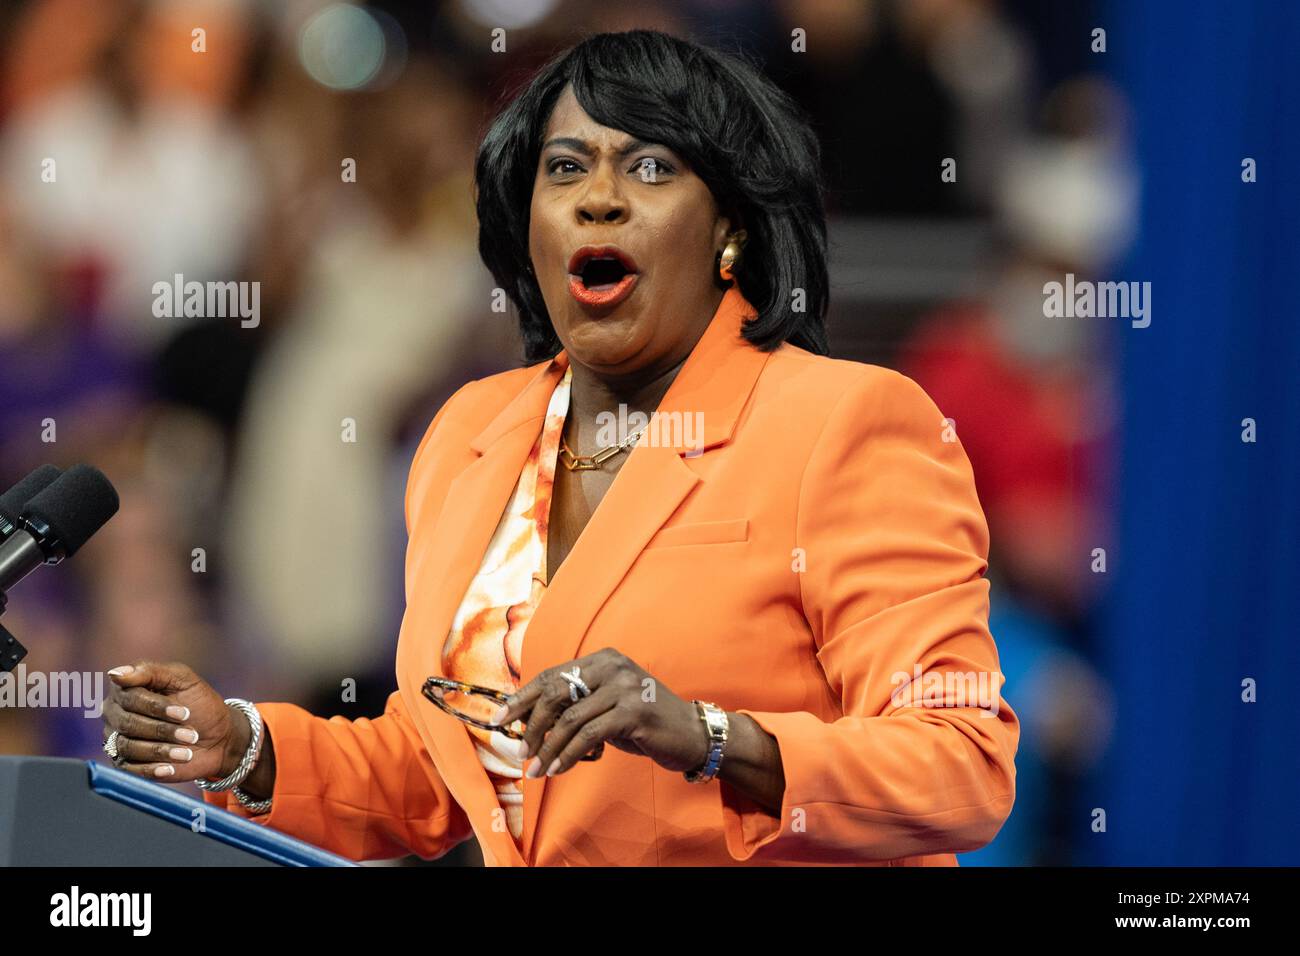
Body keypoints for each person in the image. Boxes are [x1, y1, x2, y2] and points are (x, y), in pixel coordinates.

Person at [100, 30, 1018, 866]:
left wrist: (705, 734)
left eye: (651, 168)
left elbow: (960, 765)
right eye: (566, 167)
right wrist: (245, 748)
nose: (599, 201)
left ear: (732, 227)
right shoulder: (471, 434)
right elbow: (441, 766)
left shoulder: (847, 423)